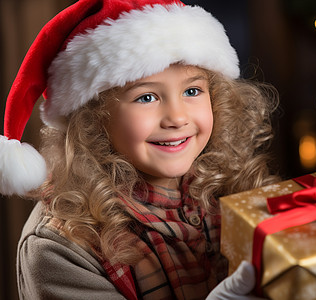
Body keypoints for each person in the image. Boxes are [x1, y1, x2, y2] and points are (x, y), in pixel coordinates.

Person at [0, 0, 279, 299]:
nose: (177, 117)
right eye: (146, 97)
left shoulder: (230, 185)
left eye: (192, 91)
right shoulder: (58, 248)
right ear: (93, 118)